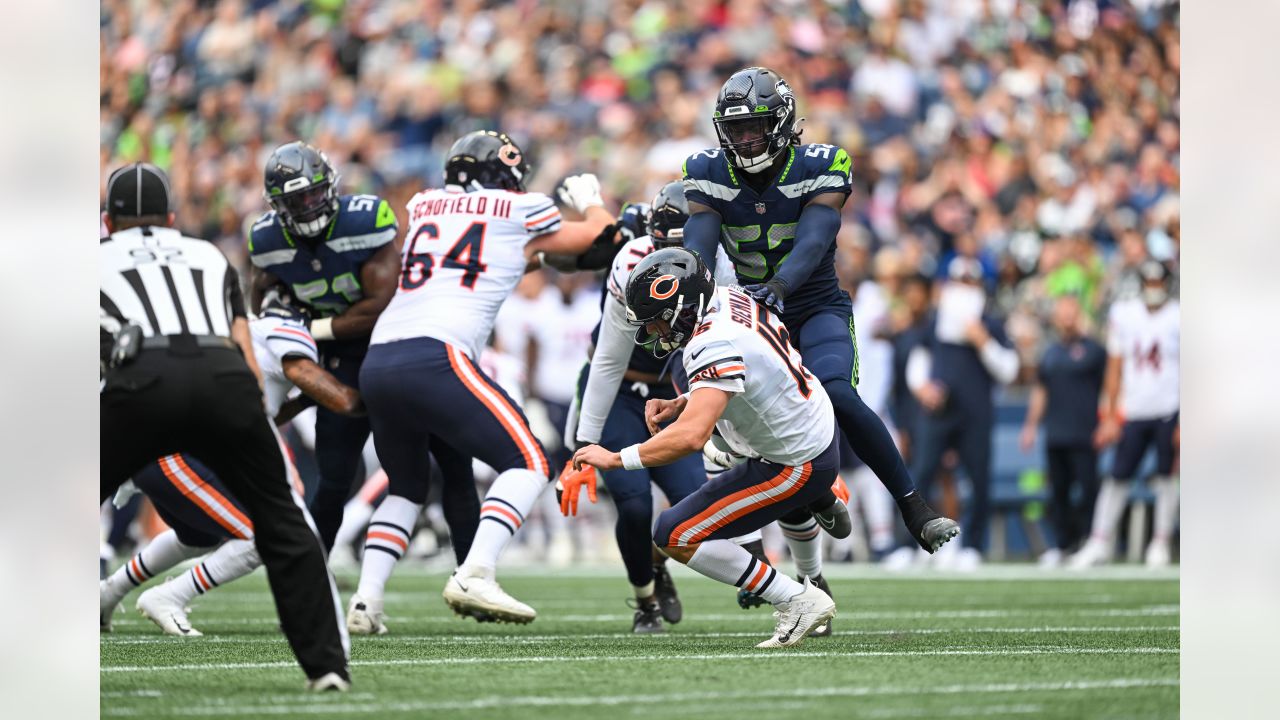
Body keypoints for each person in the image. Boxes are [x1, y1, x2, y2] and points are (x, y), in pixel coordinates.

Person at [680, 66, 959, 555]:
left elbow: (814, 239)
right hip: (753, 317)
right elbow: (699, 250)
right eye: (736, 130)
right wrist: (692, 292)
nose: (745, 140)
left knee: (837, 395)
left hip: (812, 305)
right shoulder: (707, 172)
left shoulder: (820, 164)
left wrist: (780, 285)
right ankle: (813, 506)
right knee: (754, 424)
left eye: (754, 127)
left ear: (782, 122)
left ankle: (914, 505)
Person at [346, 130, 613, 632]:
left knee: (405, 488)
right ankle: (476, 571)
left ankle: (366, 601)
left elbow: (496, 251)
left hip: (379, 359)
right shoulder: (517, 210)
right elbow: (595, 236)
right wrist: (592, 202)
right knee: (531, 461)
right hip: (436, 353)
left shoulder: (424, 204)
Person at [100, 162, 349, 691]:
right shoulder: (208, 255)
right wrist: (251, 427)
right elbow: (242, 344)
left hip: (138, 380)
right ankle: (327, 665)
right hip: (221, 378)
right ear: (172, 218)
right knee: (283, 522)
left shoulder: (94, 258)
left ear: (107, 220)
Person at [572, 247, 838, 648]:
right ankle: (806, 576)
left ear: (681, 306)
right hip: (809, 429)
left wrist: (615, 457)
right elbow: (751, 371)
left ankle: (799, 599)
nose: (656, 333)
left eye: (658, 321)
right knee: (681, 522)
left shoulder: (709, 342)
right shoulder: (729, 299)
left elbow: (692, 437)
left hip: (793, 461)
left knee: (674, 533)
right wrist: (685, 401)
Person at [247, 141, 473, 554]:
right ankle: (312, 579)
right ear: (276, 205)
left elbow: (379, 305)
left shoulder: (363, 222)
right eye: (295, 200)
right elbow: (261, 296)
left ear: (330, 187)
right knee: (334, 479)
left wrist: (310, 328)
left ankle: (472, 571)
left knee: (451, 459)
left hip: (398, 343)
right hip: (340, 360)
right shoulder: (267, 241)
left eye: (312, 194)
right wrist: (286, 328)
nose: (307, 206)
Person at [100, 299, 366, 637]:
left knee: (199, 536)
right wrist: (368, 399)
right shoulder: (286, 329)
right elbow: (318, 384)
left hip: (164, 443)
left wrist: (303, 401)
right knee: (263, 536)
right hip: (178, 450)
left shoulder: (244, 328)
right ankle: (169, 597)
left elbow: (265, 409)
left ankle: (108, 592)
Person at [905, 258, 1020, 565]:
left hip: (975, 413)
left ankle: (972, 546)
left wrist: (982, 341)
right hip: (939, 412)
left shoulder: (990, 322)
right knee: (920, 475)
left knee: (979, 479)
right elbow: (918, 357)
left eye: (968, 282)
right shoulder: (936, 321)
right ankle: (910, 544)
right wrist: (922, 388)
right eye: (958, 282)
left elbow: (1010, 370)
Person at [1070, 259, 1180, 568]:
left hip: (1168, 409)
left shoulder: (1178, 317)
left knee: (1166, 477)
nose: (1153, 289)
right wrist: (1109, 415)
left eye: (1158, 283)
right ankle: (1099, 541)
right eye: (1149, 283)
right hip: (1133, 410)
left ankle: (1159, 541)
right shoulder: (1126, 315)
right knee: (1117, 476)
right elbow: (1115, 368)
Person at [1020, 295, 1106, 566]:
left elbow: (1109, 387)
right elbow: (1041, 390)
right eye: (1063, 313)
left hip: (1085, 431)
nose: (1067, 318)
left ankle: (1091, 543)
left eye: (1072, 312)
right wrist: (1031, 425)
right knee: (1059, 493)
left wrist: (1107, 420)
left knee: (1088, 490)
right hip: (1056, 432)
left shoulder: (1094, 350)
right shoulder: (1051, 352)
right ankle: (1063, 544)